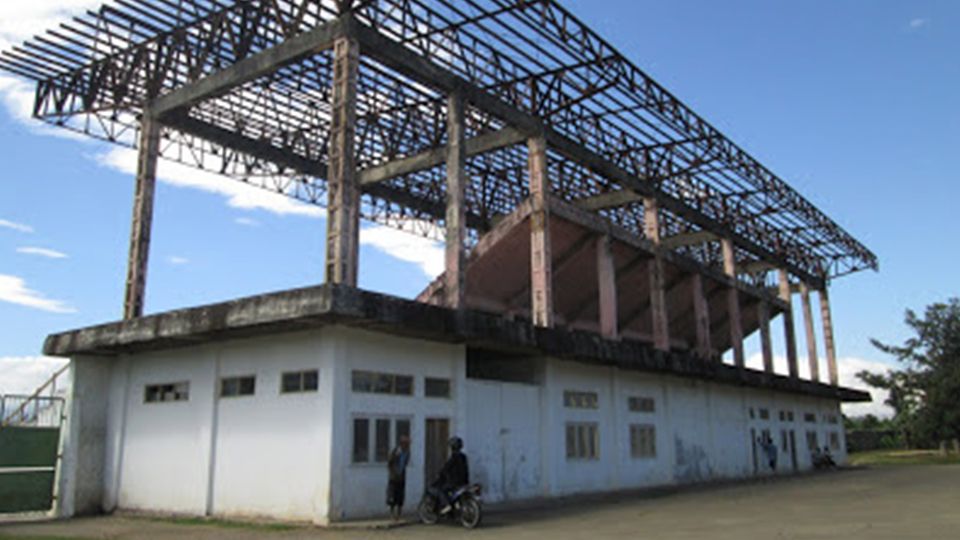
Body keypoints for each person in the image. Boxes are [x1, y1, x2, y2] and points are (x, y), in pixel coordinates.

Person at [430, 436, 469, 515]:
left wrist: (441, 473)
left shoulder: (454, 457)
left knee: (441, 490)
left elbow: (446, 468)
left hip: (454, 482)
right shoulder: (463, 457)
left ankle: (446, 505)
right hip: (463, 482)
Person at [386, 435, 411, 521]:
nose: (407, 446)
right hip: (394, 478)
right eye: (406, 444)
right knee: (392, 496)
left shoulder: (407, 453)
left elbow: (405, 463)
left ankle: (398, 515)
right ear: (401, 444)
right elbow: (389, 462)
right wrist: (393, 472)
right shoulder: (396, 451)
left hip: (401, 477)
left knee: (400, 497)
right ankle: (392, 514)